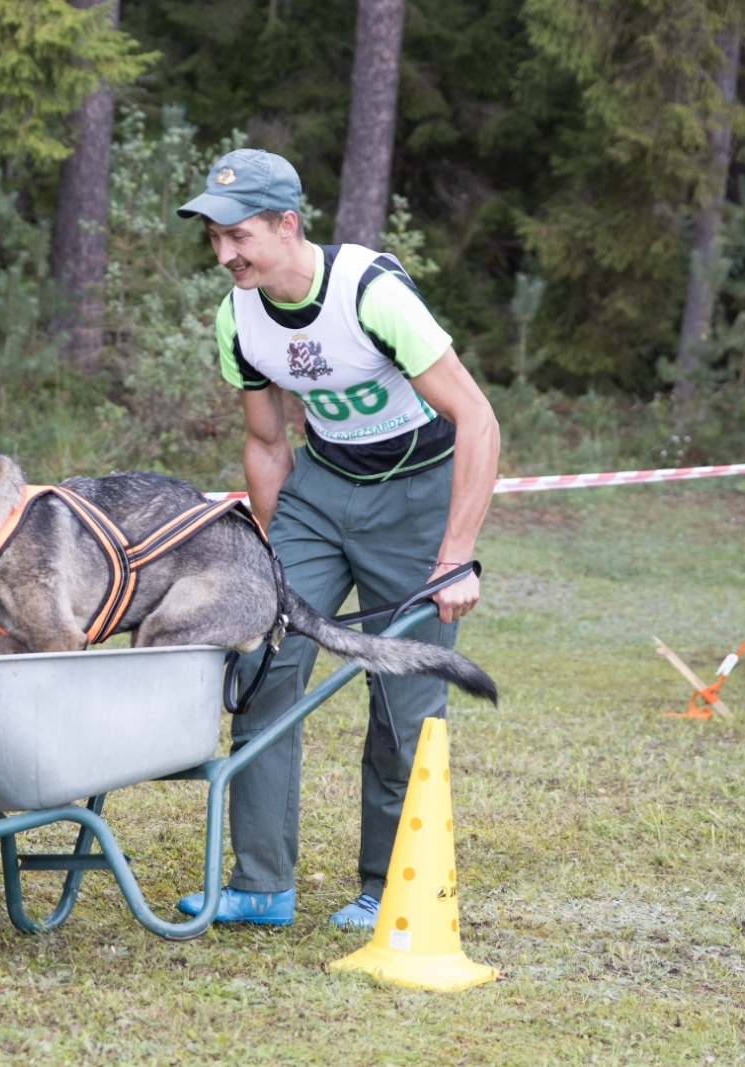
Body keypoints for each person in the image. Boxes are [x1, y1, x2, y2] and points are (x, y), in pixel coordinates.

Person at [173, 149, 500, 928]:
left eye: (239, 235)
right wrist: (270, 551)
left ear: (288, 225)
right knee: (260, 659)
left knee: (402, 695)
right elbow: (265, 442)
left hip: (419, 496)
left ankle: (388, 886)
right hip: (321, 490)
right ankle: (261, 881)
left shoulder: (371, 292)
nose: (225, 255)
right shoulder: (238, 317)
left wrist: (455, 555)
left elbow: (477, 418)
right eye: (214, 238)